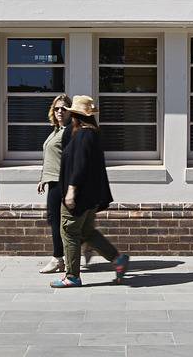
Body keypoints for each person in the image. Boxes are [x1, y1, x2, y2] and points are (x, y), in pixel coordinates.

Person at [51, 95, 130, 288]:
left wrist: (71, 190)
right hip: (89, 197)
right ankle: (117, 259)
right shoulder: (91, 133)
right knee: (86, 231)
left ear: (77, 115)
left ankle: (72, 276)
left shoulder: (83, 135)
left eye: (72, 113)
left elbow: (80, 165)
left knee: (69, 231)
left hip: (79, 196)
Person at [36, 94, 72, 274]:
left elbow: (71, 160)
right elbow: (51, 157)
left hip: (61, 183)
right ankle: (64, 257)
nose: (59, 111)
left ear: (70, 111)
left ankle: (58, 259)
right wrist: (43, 178)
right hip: (52, 181)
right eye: (57, 108)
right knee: (54, 220)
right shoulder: (56, 130)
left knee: (58, 221)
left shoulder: (68, 131)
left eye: (64, 108)